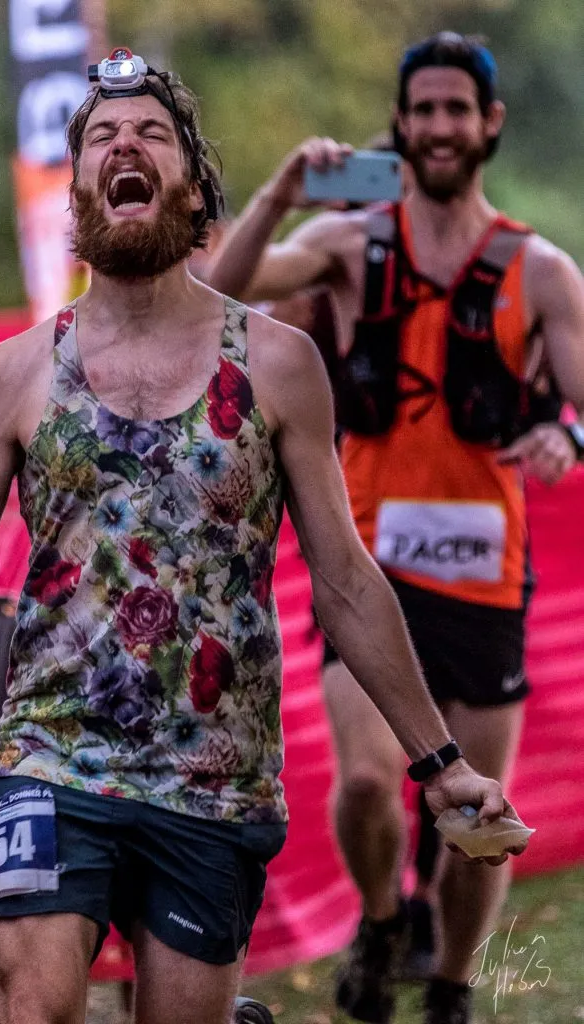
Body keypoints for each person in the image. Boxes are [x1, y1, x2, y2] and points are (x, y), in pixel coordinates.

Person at [0, 49, 529, 1024]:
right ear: (82, 189)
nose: (122, 146)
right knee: (35, 1007)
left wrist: (441, 768)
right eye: (100, 136)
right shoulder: (12, 376)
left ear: (192, 185)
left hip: (213, 774)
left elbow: (346, 581)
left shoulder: (277, 363)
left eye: (150, 133)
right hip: (49, 756)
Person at [206, 30, 584, 1024]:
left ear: (489, 123)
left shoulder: (539, 270)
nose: (441, 127)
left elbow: (582, 404)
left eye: (459, 108)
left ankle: (452, 984)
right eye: (424, 110)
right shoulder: (349, 244)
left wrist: (566, 434)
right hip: (366, 568)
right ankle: (381, 920)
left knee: (478, 818)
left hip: (487, 579)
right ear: (401, 124)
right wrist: (284, 188)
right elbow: (223, 291)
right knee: (373, 784)